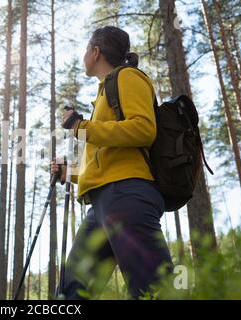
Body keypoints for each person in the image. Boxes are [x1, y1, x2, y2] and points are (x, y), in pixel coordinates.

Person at [51, 26, 173, 300]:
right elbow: (103, 162)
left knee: (152, 288)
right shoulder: (105, 92)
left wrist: (82, 127)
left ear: (95, 52)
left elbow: (143, 129)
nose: (84, 55)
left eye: (86, 49)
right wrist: (67, 174)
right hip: (102, 204)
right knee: (72, 292)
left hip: (128, 193)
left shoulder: (128, 77)